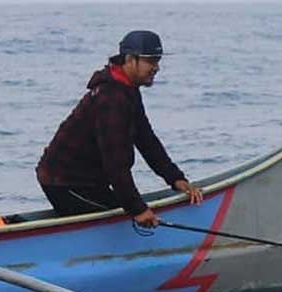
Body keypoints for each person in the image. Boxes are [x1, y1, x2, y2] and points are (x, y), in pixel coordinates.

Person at [36, 30, 203, 227]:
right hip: (65, 183)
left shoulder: (127, 89)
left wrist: (175, 178)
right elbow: (115, 163)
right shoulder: (112, 99)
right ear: (131, 59)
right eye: (151, 61)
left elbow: (146, 140)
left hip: (89, 181)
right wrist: (138, 210)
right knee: (124, 215)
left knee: (126, 206)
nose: (156, 68)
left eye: (158, 61)